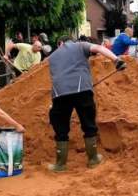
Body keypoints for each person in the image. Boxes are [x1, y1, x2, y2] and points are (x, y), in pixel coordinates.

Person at [47, 36, 125, 172]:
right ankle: (93, 159)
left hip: (59, 94)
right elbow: (99, 48)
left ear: (60, 43)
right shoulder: (79, 45)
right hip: (82, 89)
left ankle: (60, 165)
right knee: (88, 124)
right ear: (72, 41)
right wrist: (116, 60)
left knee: (61, 128)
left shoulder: (52, 56)